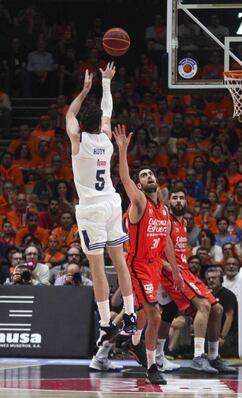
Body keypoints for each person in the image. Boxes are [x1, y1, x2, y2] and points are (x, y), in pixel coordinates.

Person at [65, 64, 136, 350]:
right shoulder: (106, 139)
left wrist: (84, 90)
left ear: (83, 124)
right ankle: (130, 315)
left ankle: (107, 323)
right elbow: (107, 111)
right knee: (120, 262)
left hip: (91, 208)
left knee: (96, 266)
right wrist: (106, 83)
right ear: (99, 124)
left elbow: (69, 113)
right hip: (111, 202)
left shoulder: (77, 140)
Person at [113, 124, 184, 385]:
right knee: (154, 314)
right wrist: (122, 150)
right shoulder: (139, 201)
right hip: (137, 263)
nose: (148, 177)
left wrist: (175, 271)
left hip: (155, 266)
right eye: (143, 176)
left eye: (150, 173)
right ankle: (152, 366)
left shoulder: (163, 209)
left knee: (144, 312)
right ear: (140, 185)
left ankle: (130, 341)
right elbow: (124, 178)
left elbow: (166, 240)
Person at [157, 189, 237, 374]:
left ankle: (213, 357)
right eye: (174, 198)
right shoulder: (166, 221)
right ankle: (198, 357)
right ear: (169, 202)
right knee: (204, 307)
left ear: (186, 202)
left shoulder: (183, 222)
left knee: (217, 309)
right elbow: (153, 250)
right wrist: (170, 268)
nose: (178, 201)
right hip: (171, 273)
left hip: (185, 272)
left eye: (181, 198)